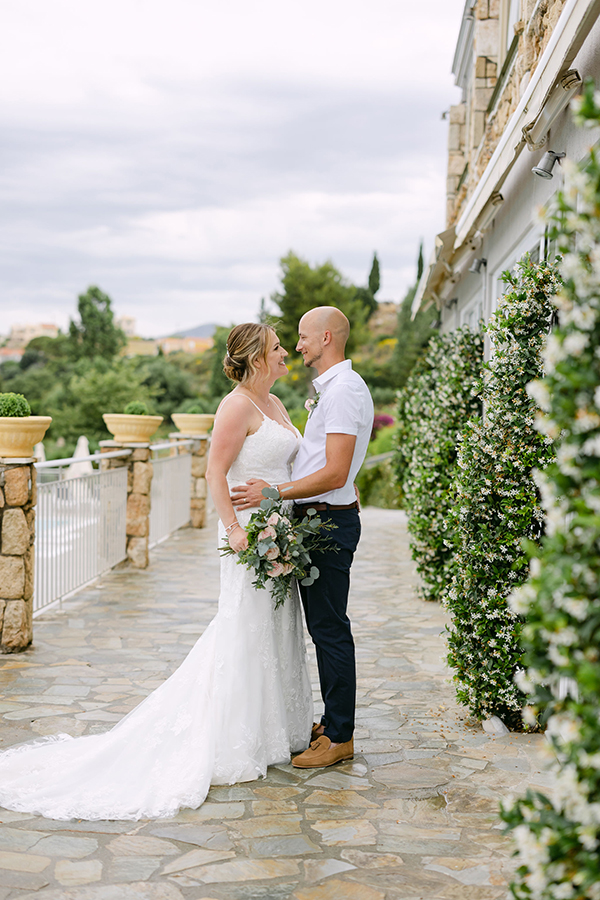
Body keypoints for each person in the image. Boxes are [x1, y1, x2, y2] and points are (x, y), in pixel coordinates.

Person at [0, 323, 313, 821]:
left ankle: (276, 727)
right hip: (249, 531)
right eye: (277, 348)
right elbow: (215, 471)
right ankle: (236, 735)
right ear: (256, 358)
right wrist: (234, 529)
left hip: (279, 525)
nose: (285, 354)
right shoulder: (235, 406)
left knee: (275, 625)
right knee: (245, 626)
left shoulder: (275, 404)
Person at [231, 306, 373, 768]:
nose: (297, 347)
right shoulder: (330, 391)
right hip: (318, 519)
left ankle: (339, 737)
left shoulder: (345, 391)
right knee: (322, 626)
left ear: (326, 337)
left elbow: (333, 471)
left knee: (330, 629)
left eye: (303, 338)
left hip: (329, 522)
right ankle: (332, 723)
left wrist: (275, 492)